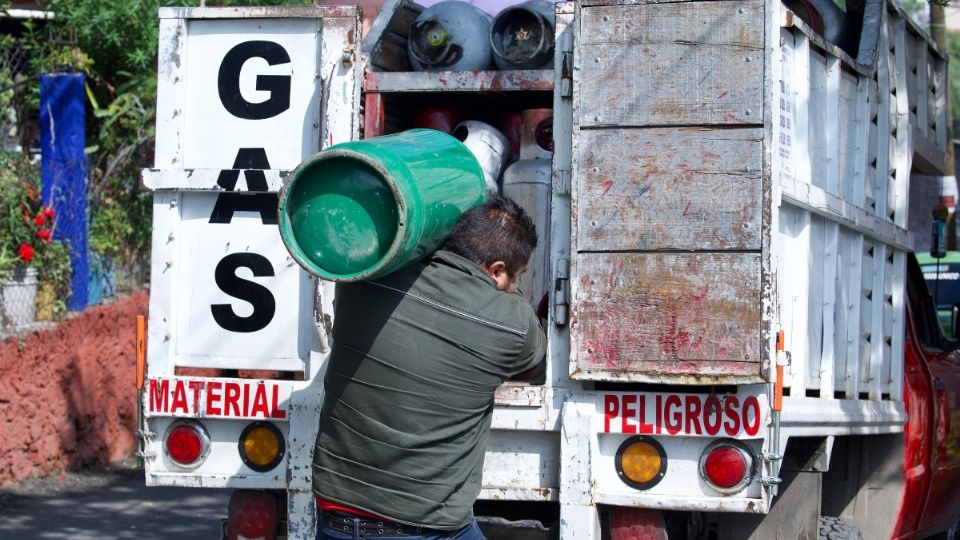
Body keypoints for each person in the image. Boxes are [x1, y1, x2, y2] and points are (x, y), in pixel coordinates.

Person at [313, 195, 546, 539]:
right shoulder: (513, 323)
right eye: (517, 277)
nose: (516, 287)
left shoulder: (359, 281)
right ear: (497, 271)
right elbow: (538, 368)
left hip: (334, 519)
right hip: (430, 527)